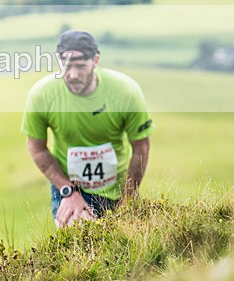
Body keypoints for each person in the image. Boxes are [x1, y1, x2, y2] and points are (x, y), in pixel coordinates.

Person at [21, 30, 155, 228]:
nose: (73, 74)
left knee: (125, 245)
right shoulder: (41, 95)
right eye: (66, 66)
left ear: (96, 60)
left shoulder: (126, 91)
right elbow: (36, 147)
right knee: (80, 241)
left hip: (118, 188)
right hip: (69, 186)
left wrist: (129, 199)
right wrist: (68, 191)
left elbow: (141, 146)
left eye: (80, 66)